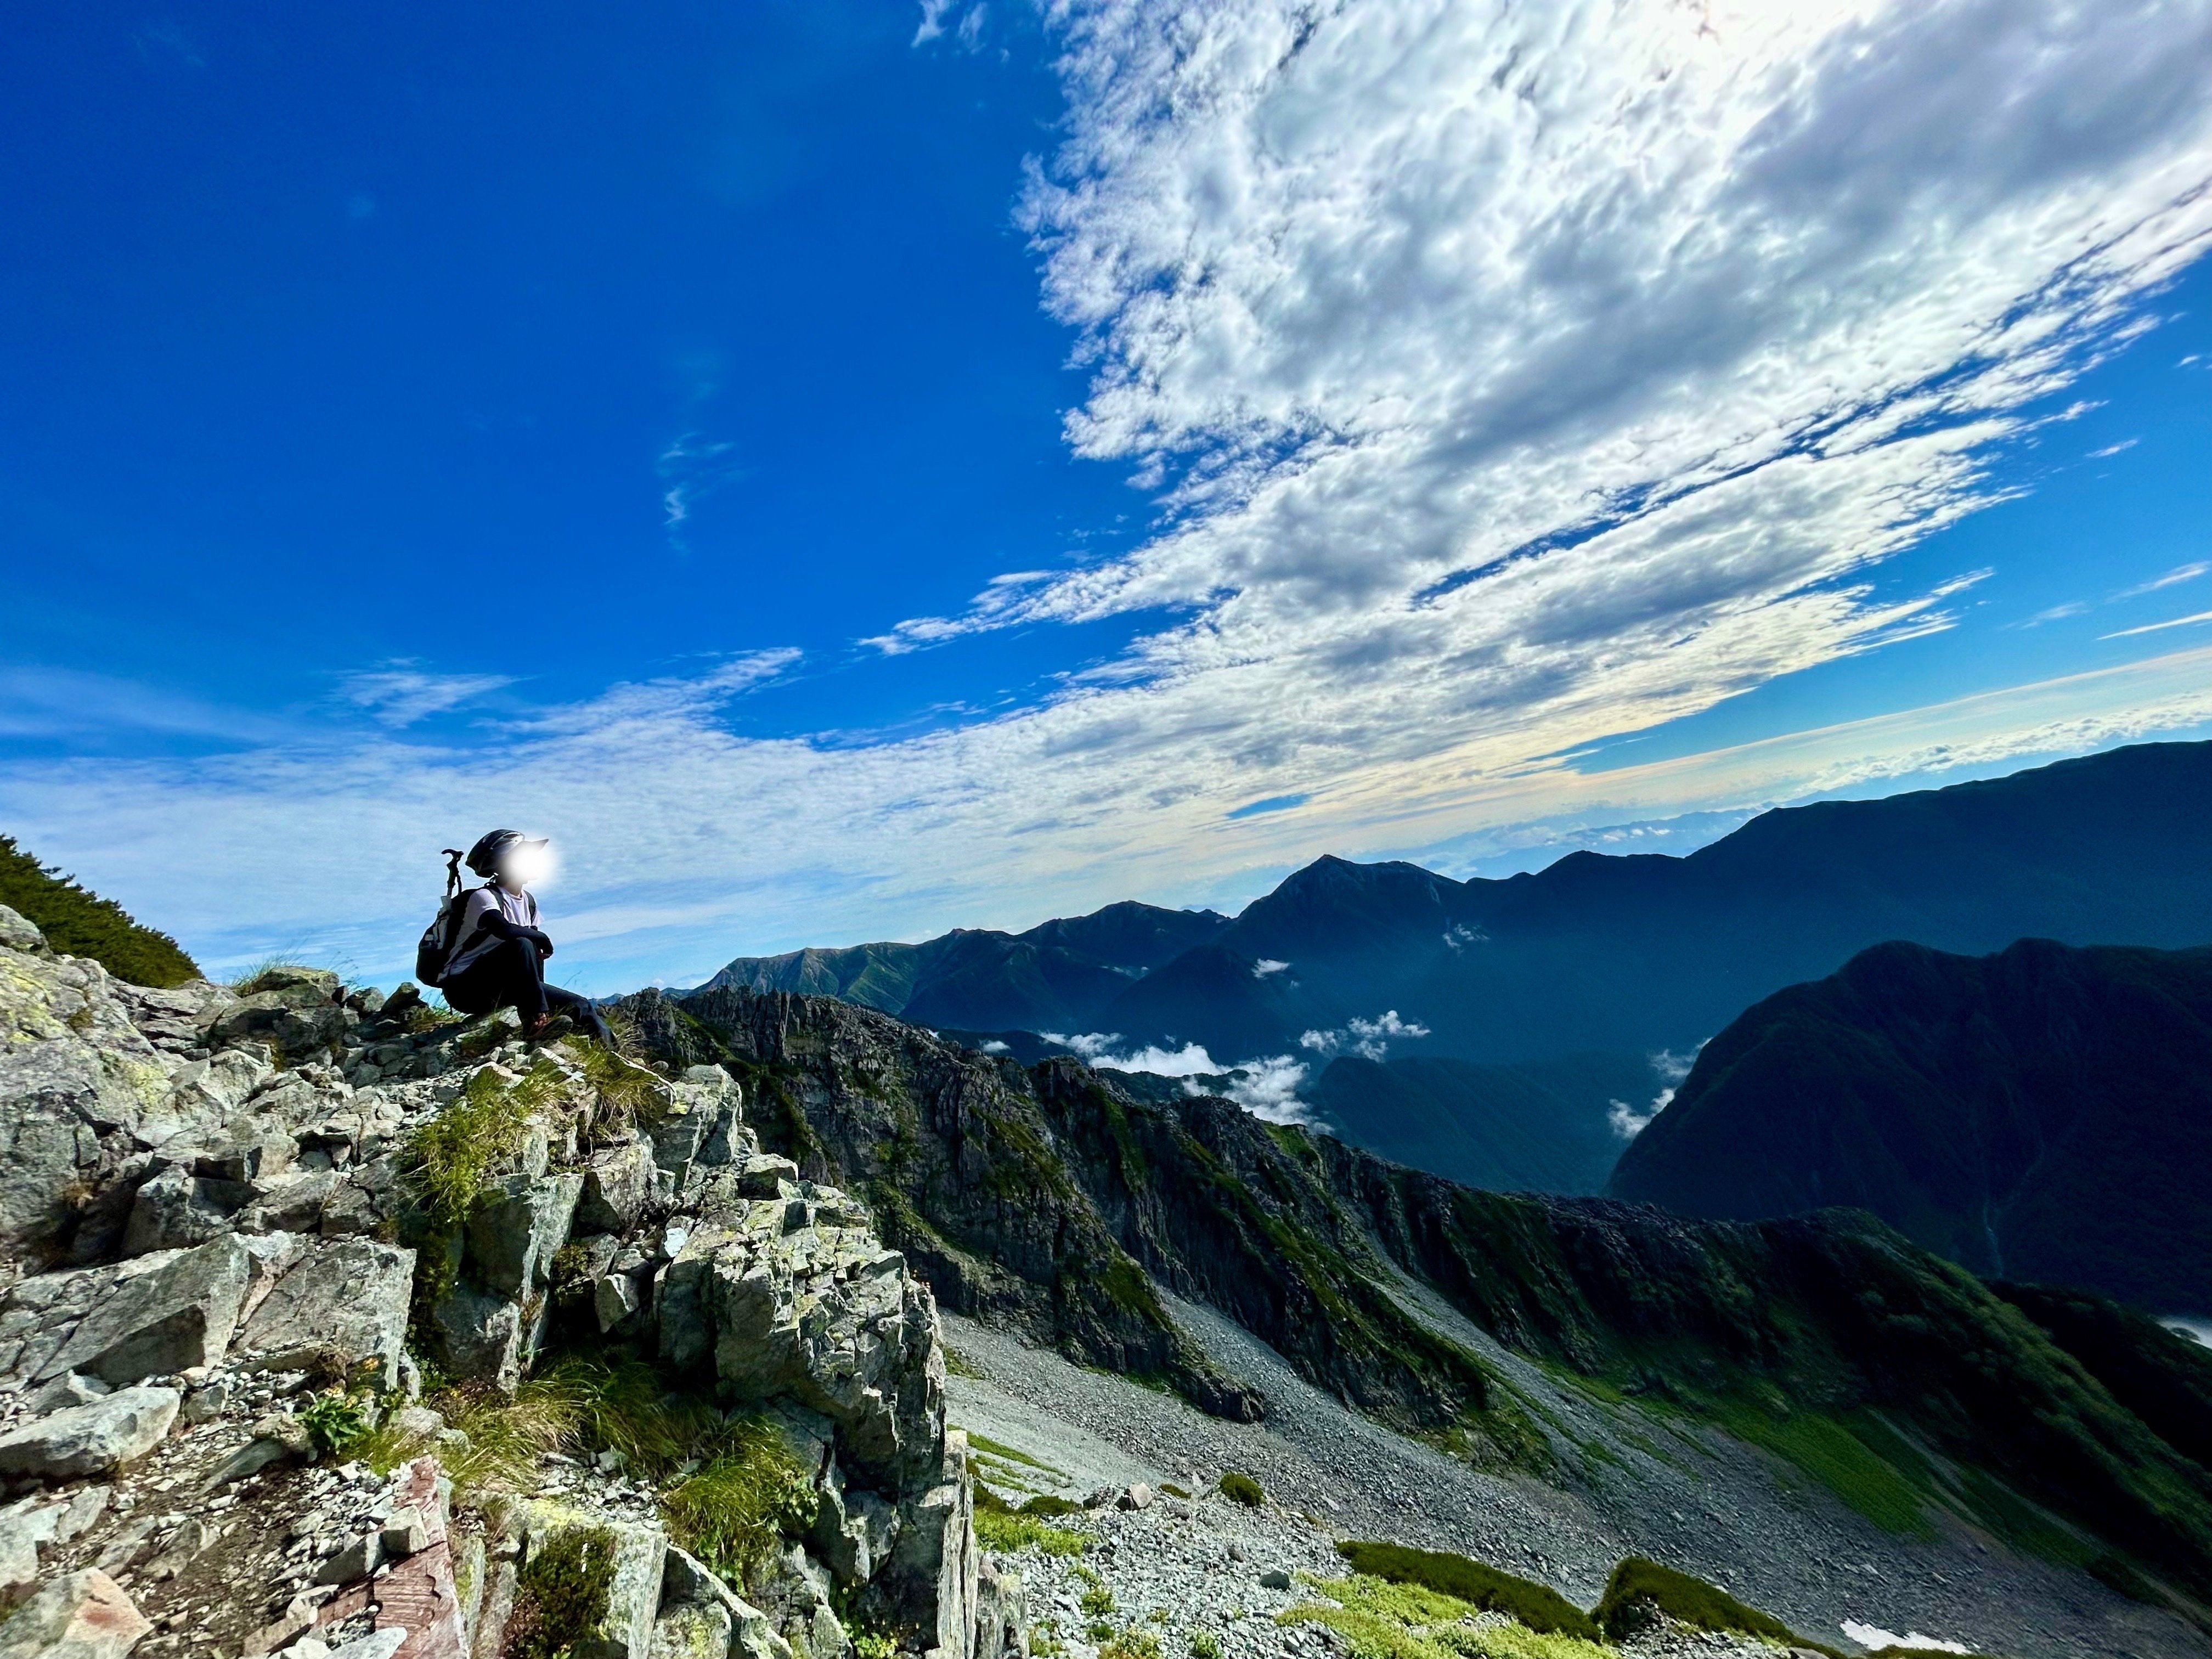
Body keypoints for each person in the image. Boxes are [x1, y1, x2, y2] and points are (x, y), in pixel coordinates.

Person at [439, 829, 614, 1045]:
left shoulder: (529, 903)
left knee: (582, 1005)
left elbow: (533, 957)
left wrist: (537, 992)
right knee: (522, 943)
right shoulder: (483, 898)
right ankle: (535, 1022)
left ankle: (614, 1059)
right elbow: (505, 931)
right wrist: (539, 936)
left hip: (505, 987)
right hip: (465, 990)